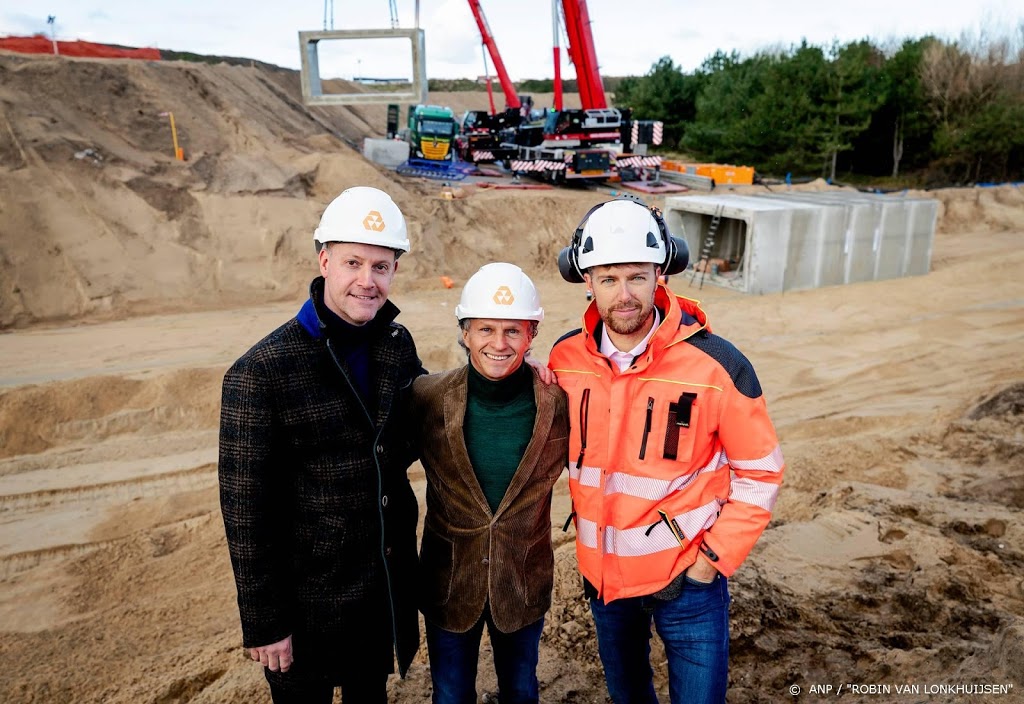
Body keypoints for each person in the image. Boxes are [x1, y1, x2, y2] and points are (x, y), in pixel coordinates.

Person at [549, 197, 785, 704]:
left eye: (637, 276)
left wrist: (710, 561)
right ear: (585, 280)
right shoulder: (565, 359)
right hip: (605, 583)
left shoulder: (717, 364)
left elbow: (760, 474)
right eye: (608, 279)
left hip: (689, 583)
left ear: (662, 273)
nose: (624, 294)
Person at [218, 186, 423, 703]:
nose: (367, 280)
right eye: (353, 262)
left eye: (381, 266)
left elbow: (430, 418)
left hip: (376, 595)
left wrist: (512, 376)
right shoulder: (260, 373)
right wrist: (264, 621)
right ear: (324, 258)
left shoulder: (396, 346)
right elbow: (246, 513)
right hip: (305, 604)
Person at [411, 263, 569, 704]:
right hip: (448, 582)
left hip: (521, 582)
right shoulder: (427, 396)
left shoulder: (558, 401)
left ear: (531, 334)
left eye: (512, 331)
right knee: (451, 694)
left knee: (521, 690)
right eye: (485, 330)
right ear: (465, 332)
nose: (499, 344)